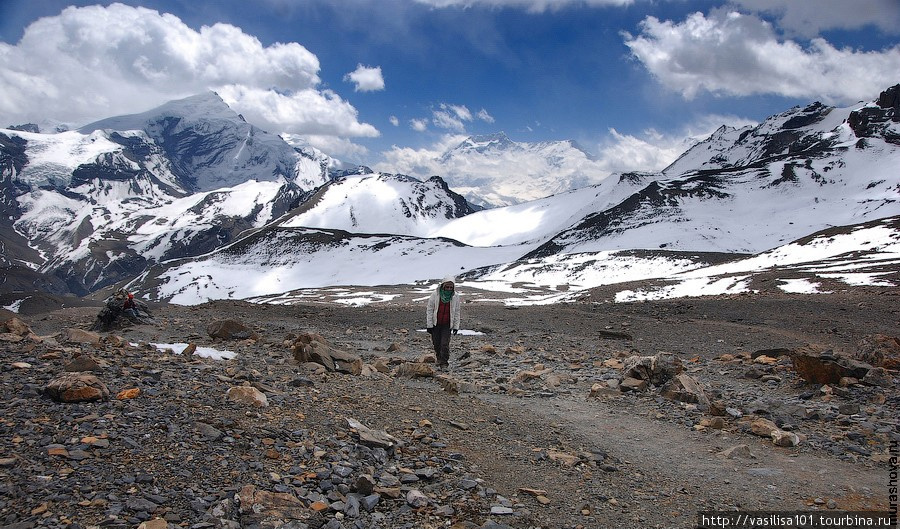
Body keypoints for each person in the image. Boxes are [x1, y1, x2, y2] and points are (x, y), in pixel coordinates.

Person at [426, 276, 461, 369]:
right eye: (447, 287)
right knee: (436, 343)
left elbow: (456, 312)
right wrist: (429, 325)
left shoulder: (455, 296)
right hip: (436, 323)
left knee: (444, 344)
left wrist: (456, 326)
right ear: (443, 286)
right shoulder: (435, 295)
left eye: (451, 287)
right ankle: (439, 358)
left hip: (447, 324)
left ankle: (444, 363)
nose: (449, 289)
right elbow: (430, 309)